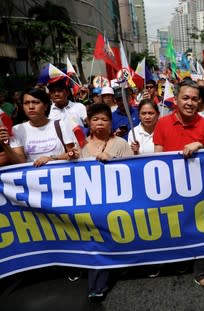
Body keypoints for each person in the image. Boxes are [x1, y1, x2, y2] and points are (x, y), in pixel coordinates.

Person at [153, 79, 204, 294]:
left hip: (200, 189)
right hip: (171, 187)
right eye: (185, 98)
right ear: (176, 100)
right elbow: (157, 156)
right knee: (174, 226)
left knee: (201, 228)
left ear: (199, 101)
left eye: (194, 99)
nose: (190, 102)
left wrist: (200, 144)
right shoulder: (162, 124)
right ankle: (176, 260)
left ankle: (201, 273)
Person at [81, 103, 133, 299]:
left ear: (111, 123)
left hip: (117, 203)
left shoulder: (121, 144)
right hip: (91, 206)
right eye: (95, 119)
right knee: (97, 243)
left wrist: (112, 160)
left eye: (104, 119)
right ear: (88, 122)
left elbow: (132, 170)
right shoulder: (80, 145)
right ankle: (97, 286)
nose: (100, 123)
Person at [0, 87, 79, 166]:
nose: (31, 107)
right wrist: (4, 145)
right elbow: (20, 162)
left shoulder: (62, 125)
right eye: (26, 103)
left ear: (45, 106)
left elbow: (73, 154)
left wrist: (52, 158)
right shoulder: (17, 129)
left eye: (36, 102)